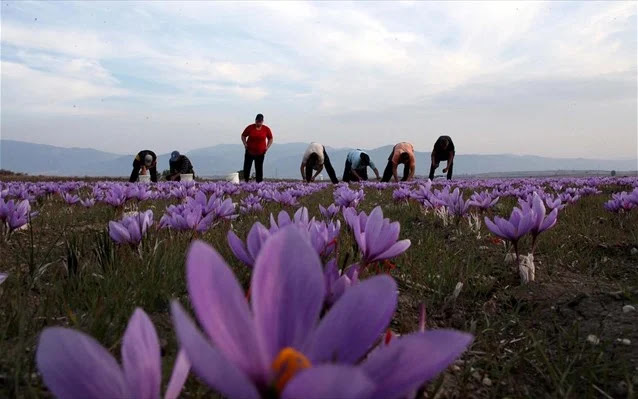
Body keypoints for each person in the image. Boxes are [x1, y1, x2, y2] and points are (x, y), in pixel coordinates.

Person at [241, 113, 273, 183]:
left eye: (260, 121)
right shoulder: (250, 127)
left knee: (259, 168)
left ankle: (259, 183)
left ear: (262, 121)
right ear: (255, 120)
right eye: (257, 121)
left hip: (261, 152)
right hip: (249, 151)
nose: (259, 123)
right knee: (247, 167)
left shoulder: (266, 129)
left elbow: (270, 138)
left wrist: (267, 147)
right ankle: (245, 181)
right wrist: (245, 144)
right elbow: (243, 136)